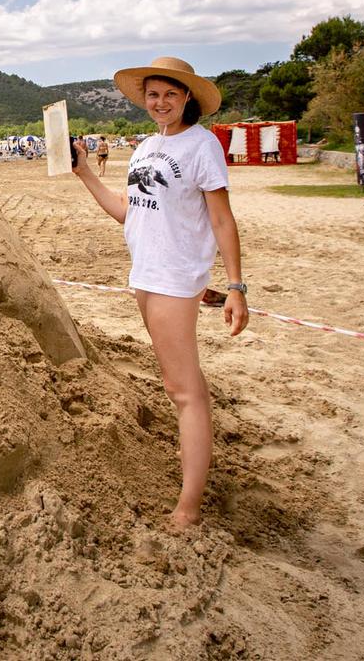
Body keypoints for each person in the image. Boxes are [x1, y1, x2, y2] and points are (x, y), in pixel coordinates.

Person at [69, 56, 248, 529]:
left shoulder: (201, 145)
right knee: (184, 386)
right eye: (152, 94)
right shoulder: (147, 147)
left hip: (174, 277)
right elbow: (130, 212)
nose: (160, 102)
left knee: (184, 391)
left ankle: (188, 509)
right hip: (144, 276)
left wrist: (235, 286)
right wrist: (85, 172)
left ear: (188, 97)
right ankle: (192, 483)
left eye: (170, 93)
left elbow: (222, 219)